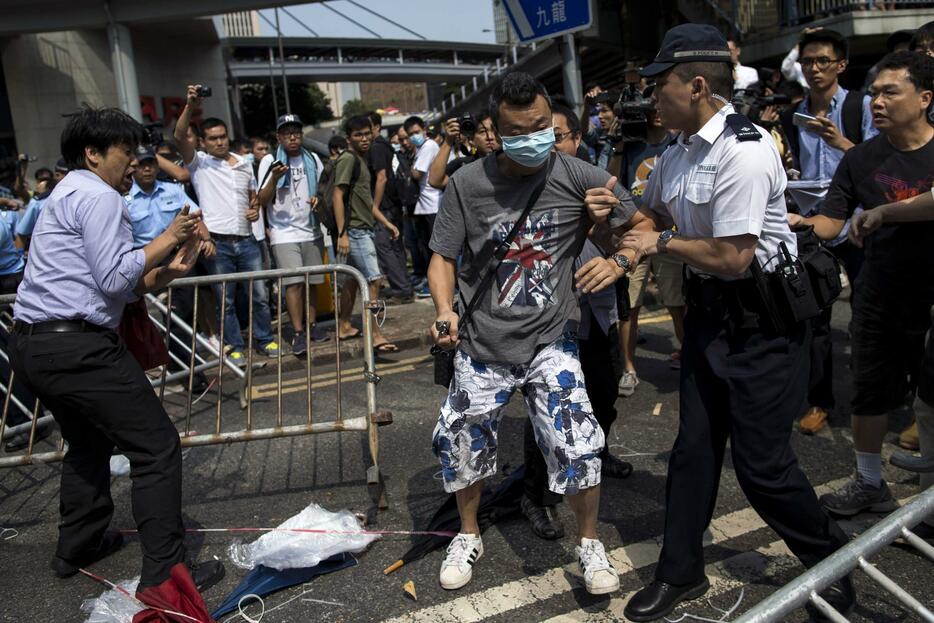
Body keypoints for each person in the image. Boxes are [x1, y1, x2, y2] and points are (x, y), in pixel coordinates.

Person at [619, 25, 852, 622]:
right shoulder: (675, 149)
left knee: (763, 467)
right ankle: (680, 574)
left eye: (659, 85)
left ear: (696, 85)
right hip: (710, 320)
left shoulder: (744, 150)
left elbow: (732, 255)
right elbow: (646, 215)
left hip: (764, 326)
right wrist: (615, 217)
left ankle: (836, 564)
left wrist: (660, 241)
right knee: (693, 451)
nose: (651, 97)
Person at [428, 70, 655, 596]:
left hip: (551, 342)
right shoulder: (467, 182)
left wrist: (619, 257)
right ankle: (467, 534)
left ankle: (589, 543)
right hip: (482, 344)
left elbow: (644, 227)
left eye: (540, 127)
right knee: (463, 441)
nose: (532, 138)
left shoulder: (579, 174)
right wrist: (444, 308)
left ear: (550, 119)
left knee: (577, 444)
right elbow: (442, 255)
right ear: (495, 128)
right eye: (517, 129)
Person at [7, 107, 222, 613]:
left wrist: (168, 270)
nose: (136, 163)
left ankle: (76, 547)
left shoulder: (64, 192)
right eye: (128, 152)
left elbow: (119, 284)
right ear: (93, 153)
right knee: (156, 448)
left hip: (35, 344)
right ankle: (164, 577)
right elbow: (112, 278)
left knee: (87, 444)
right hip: (78, 348)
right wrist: (168, 236)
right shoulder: (100, 196)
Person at [789, 50, 934, 518]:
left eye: (891, 91)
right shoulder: (861, 160)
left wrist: (884, 211)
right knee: (869, 390)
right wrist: (800, 223)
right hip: (879, 292)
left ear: (925, 98)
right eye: (874, 93)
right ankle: (869, 483)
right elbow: (833, 219)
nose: (877, 101)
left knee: (932, 396)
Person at [519, 101, 634, 541]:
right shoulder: (530, 186)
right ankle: (537, 496)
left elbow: (628, 235)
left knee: (603, 399)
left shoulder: (597, 184)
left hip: (596, 314)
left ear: (576, 139)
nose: (552, 146)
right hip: (550, 322)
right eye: (543, 137)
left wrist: (603, 224)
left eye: (559, 136)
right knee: (546, 414)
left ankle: (596, 453)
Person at [780, 28, 877, 435]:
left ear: (840, 65)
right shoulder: (792, 115)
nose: (815, 69)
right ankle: (819, 402)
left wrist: (841, 142)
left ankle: (877, 400)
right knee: (815, 319)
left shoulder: (862, 105)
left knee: (868, 317)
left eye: (823, 61)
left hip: (858, 224)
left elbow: (881, 164)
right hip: (811, 225)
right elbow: (795, 163)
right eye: (808, 62)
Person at [174, 84, 279, 362]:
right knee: (226, 300)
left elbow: (253, 197)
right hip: (217, 244)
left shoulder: (245, 164)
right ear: (203, 142)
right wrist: (190, 105)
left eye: (222, 137)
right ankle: (234, 345)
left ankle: (265, 339)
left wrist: (255, 210)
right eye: (212, 138)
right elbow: (179, 135)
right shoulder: (200, 163)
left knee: (259, 295)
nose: (219, 142)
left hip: (247, 242)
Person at [125, 144, 212, 393]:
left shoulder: (172, 190)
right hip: (145, 263)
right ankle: (178, 370)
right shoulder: (124, 198)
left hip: (177, 259)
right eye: (142, 164)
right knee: (155, 321)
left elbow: (196, 216)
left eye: (151, 163)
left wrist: (205, 238)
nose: (148, 169)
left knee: (181, 318)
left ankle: (187, 369)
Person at [614, 90, 685, 397]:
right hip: (633, 234)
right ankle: (628, 368)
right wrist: (617, 145)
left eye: (659, 103)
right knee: (628, 307)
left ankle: (688, 355)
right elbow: (611, 182)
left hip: (670, 232)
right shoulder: (630, 146)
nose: (656, 110)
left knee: (677, 304)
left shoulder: (678, 142)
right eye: (649, 106)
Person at [255, 114, 328, 356]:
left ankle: (313, 325)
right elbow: (261, 201)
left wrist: (318, 200)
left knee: (313, 282)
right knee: (294, 283)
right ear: (279, 137)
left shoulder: (312, 159)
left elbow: (321, 190)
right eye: (287, 133)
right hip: (283, 232)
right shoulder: (269, 161)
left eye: (296, 132)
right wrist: (275, 177)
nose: (293, 137)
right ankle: (298, 332)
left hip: (311, 229)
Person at [333, 115, 398, 353]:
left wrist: (385, 222)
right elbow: (337, 195)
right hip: (355, 231)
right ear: (349, 137)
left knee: (351, 282)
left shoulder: (360, 160)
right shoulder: (349, 159)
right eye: (358, 134)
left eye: (367, 133)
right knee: (374, 280)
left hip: (362, 227)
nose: (364, 138)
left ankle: (344, 326)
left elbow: (366, 201)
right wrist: (343, 233)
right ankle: (375, 334)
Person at [367, 111, 413, 304]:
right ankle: (404, 286)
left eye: (366, 129)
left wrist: (374, 205)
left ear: (376, 127)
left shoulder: (377, 148)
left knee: (385, 248)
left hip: (384, 205)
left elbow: (382, 177)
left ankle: (401, 289)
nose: (363, 135)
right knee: (395, 247)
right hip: (393, 203)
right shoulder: (387, 146)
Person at [405, 115, 443, 298]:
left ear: (424, 129)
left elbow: (416, 174)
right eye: (410, 134)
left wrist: (410, 169)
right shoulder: (421, 148)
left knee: (435, 250)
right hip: (425, 204)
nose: (414, 136)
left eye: (416, 132)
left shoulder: (428, 147)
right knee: (426, 248)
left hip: (433, 204)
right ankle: (432, 281)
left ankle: (440, 285)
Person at [427, 112, 499, 190]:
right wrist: (448, 141)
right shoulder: (463, 166)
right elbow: (435, 181)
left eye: (494, 130)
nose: (490, 137)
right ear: (471, 140)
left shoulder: (511, 161)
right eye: (482, 132)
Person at [580, 87, 619, 171]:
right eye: (599, 111)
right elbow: (584, 133)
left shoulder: (631, 135)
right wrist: (586, 107)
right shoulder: (601, 134)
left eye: (604, 111)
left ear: (617, 111)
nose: (599, 116)